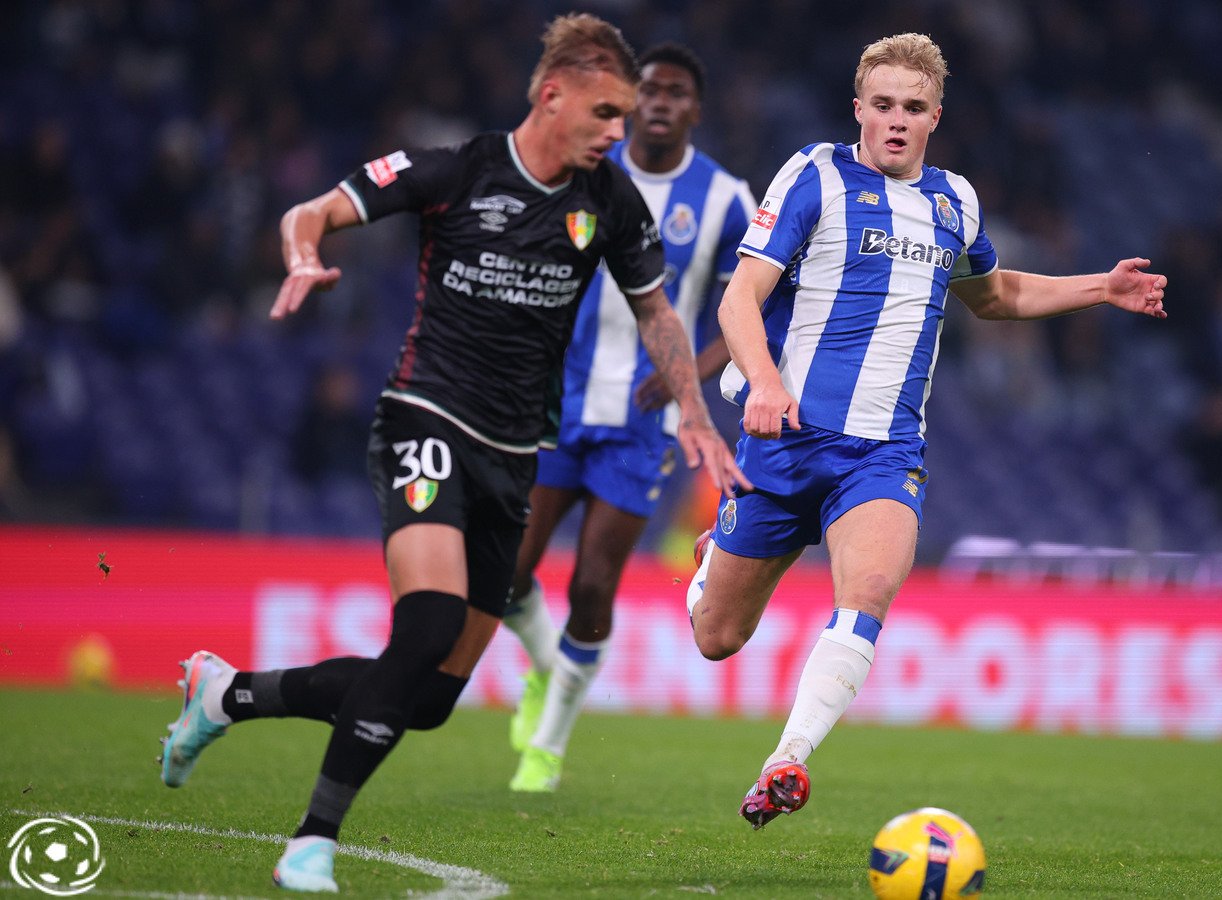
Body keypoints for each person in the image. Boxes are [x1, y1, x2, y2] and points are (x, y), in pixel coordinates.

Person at [156, 14, 745, 892]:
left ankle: (227, 695)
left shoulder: (608, 202)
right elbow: (313, 210)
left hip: (514, 458)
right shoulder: (455, 169)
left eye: (626, 117)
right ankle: (312, 840)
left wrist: (695, 410)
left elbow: (658, 311)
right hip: (426, 421)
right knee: (425, 625)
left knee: (428, 698)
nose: (619, 133)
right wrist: (304, 251)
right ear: (554, 95)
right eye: (606, 112)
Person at [684, 33, 1168, 829]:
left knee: (869, 591)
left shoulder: (955, 201)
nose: (896, 121)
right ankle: (712, 564)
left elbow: (993, 293)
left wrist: (1099, 288)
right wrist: (765, 382)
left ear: (935, 116)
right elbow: (740, 298)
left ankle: (787, 759)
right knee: (716, 637)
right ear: (858, 110)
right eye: (882, 106)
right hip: (784, 441)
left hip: (882, 453)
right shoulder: (814, 175)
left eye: (913, 108)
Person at [500, 42, 754, 793]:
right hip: (557, 401)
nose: (663, 101)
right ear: (631, 99)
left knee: (592, 586)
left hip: (643, 425)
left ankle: (546, 748)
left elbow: (752, 309)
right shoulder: (584, 171)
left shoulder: (726, 197)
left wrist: (688, 378)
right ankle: (548, 669)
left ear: (695, 109)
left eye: (678, 91)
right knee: (508, 570)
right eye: (651, 89)